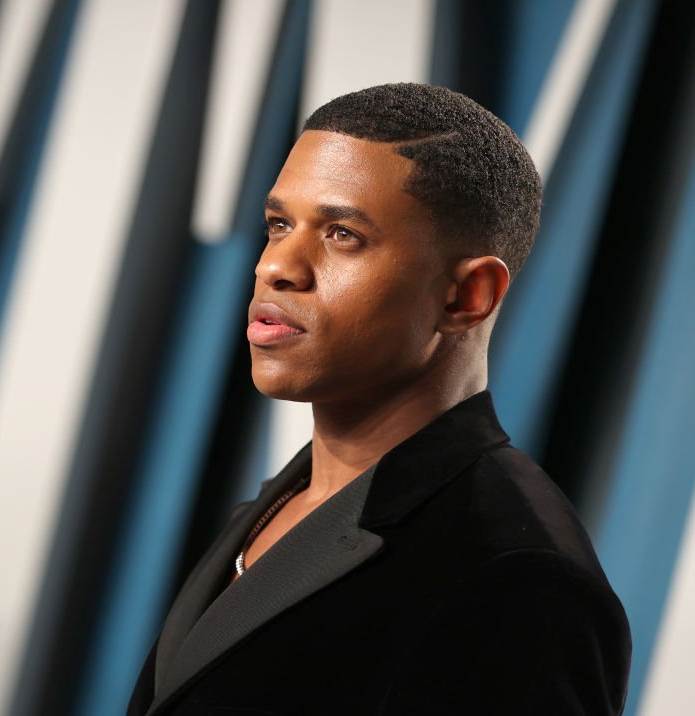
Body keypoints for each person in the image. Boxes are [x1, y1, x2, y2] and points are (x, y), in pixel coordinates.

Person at [127, 83, 631, 715]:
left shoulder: (519, 575)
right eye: (279, 224)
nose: (276, 266)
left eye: (342, 234)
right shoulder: (278, 502)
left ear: (467, 295)